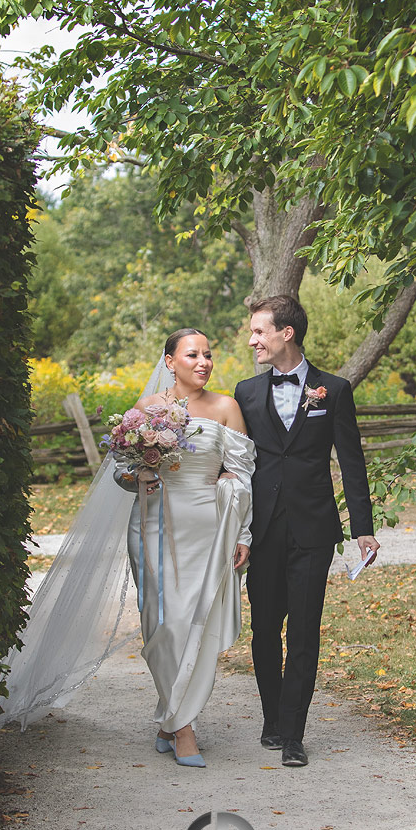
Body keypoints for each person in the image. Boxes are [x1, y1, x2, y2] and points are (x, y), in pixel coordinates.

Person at [234, 295, 379, 768]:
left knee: (303, 633)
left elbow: (351, 463)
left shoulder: (332, 390)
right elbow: (235, 462)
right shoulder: (246, 393)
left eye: (259, 331)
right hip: (262, 530)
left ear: (286, 334)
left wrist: (363, 529)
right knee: (263, 631)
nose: (253, 340)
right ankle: (271, 718)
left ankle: (293, 734)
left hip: (314, 531)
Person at [116, 328, 255, 767]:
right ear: (169, 361)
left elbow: (241, 476)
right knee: (166, 625)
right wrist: (141, 474)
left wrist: (242, 533)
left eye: (208, 354)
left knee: (197, 623)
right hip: (155, 527)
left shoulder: (227, 408)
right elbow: (121, 473)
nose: (203, 362)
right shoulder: (148, 410)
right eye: (192, 354)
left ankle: (169, 720)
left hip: (209, 534)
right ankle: (184, 730)